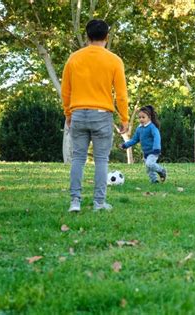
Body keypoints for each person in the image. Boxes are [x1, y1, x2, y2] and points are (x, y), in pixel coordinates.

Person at [61, 19, 129, 212]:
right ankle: (99, 203)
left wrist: (68, 113)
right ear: (107, 37)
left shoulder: (74, 58)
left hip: (78, 114)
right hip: (102, 115)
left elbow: (66, 91)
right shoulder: (114, 60)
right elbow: (121, 94)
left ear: (87, 36)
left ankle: (75, 202)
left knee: (78, 158)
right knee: (101, 160)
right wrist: (124, 118)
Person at [119, 106, 166, 183]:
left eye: (143, 117)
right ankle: (154, 181)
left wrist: (157, 148)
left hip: (154, 151)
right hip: (146, 153)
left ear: (149, 117)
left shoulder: (152, 127)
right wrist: (125, 145)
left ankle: (161, 170)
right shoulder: (139, 129)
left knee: (149, 164)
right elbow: (134, 139)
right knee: (149, 169)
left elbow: (157, 137)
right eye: (139, 117)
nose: (141, 119)